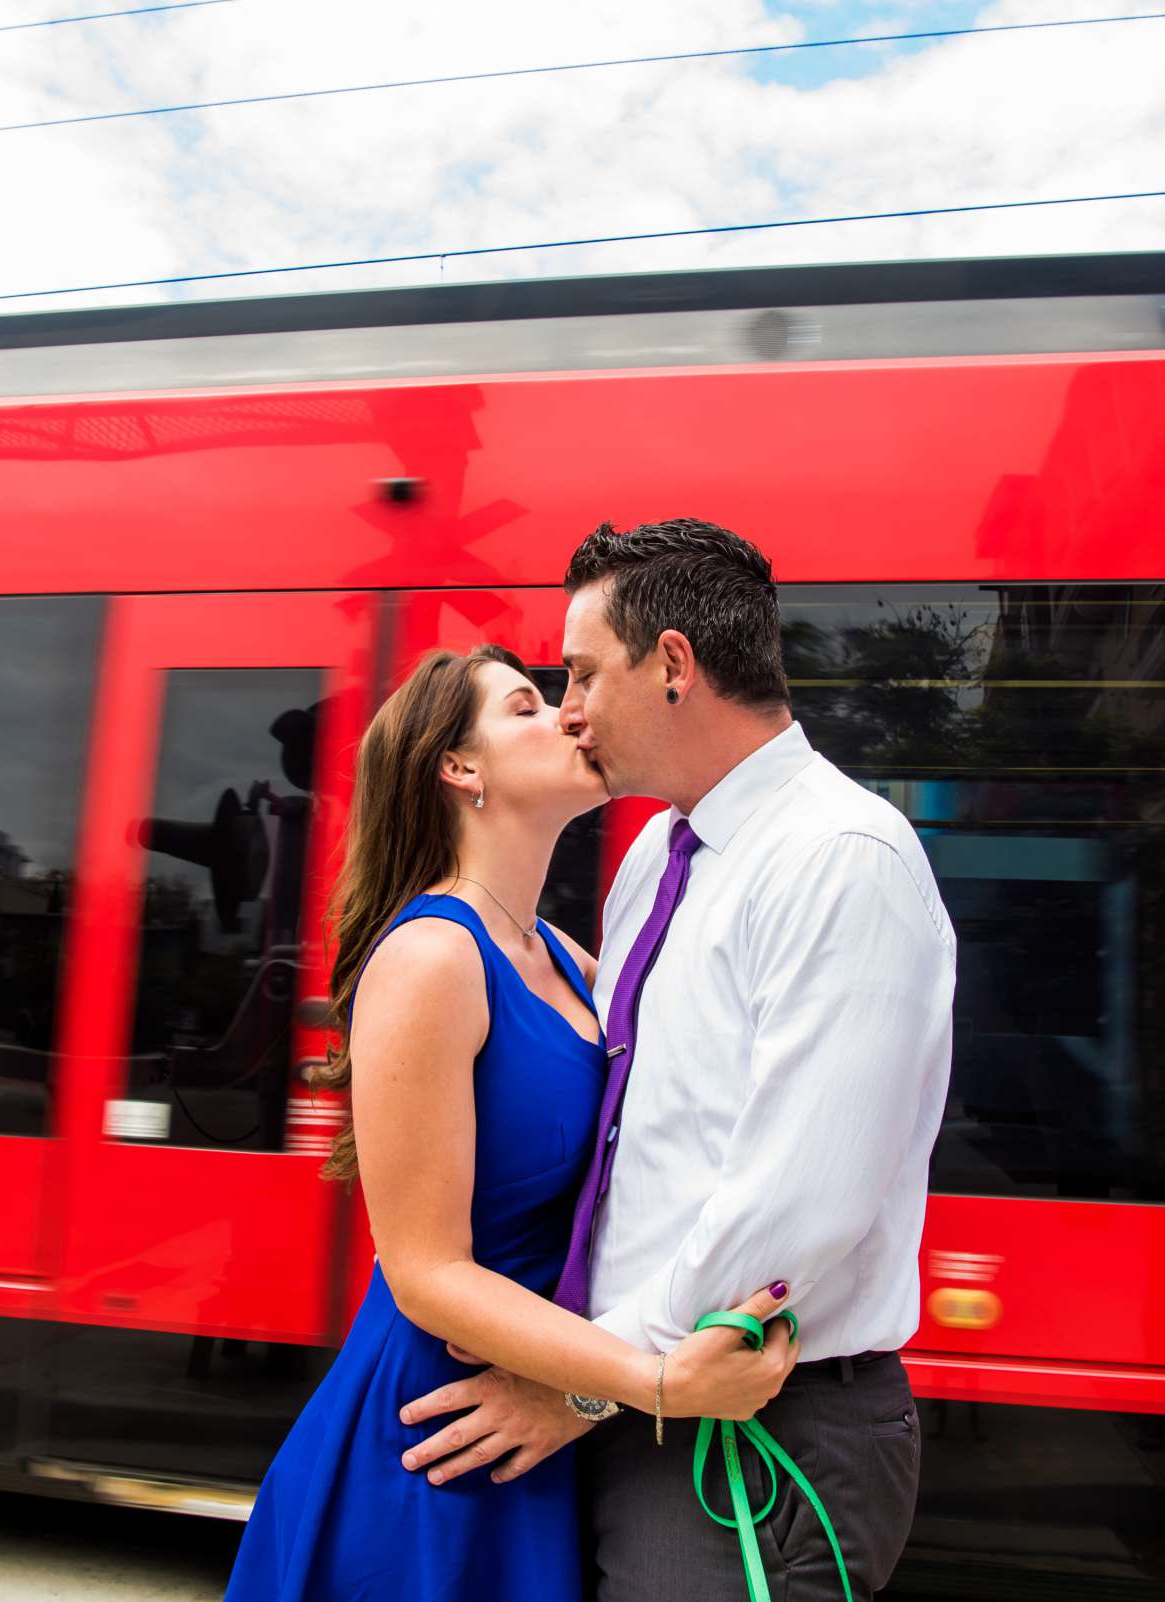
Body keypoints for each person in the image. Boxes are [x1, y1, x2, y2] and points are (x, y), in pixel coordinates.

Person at [399, 519, 959, 1600]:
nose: (567, 708)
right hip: (643, 1391)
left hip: (751, 1428)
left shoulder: (843, 859)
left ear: (672, 667)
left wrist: (588, 1387)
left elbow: (795, 1209)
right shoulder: (658, 855)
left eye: (581, 671)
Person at [225, 643, 798, 1601]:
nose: (571, 715)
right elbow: (425, 1271)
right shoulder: (432, 958)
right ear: (460, 768)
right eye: (530, 707)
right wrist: (651, 1383)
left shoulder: (566, 958)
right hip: (438, 1438)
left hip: (539, 1412)